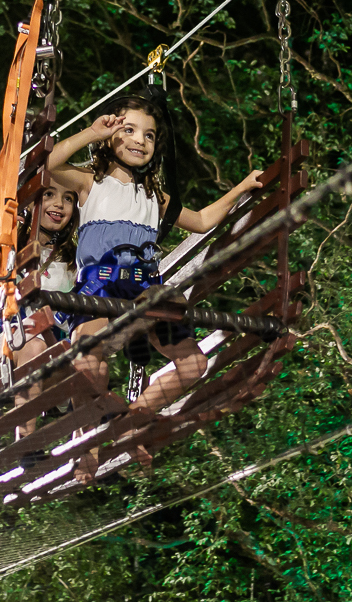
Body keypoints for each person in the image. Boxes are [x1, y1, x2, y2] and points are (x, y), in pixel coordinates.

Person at [46, 96, 262, 479]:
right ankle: (88, 450)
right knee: (87, 361)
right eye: (128, 130)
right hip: (101, 288)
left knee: (194, 362)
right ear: (112, 135)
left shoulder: (155, 197)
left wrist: (242, 187)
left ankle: (132, 420)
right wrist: (93, 132)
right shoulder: (90, 184)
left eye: (148, 135)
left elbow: (201, 220)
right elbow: (52, 163)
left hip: (144, 290)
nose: (139, 140)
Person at [0, 181, 78, 440]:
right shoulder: (7, 247)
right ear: (32, 204)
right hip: (3, 349)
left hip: (51, 350)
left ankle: (88, 449)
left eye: (68, 198)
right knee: (33, 346)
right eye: (49, 194)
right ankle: (26, 440)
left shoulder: (72, 260)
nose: (58, 203)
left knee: (67, 354)